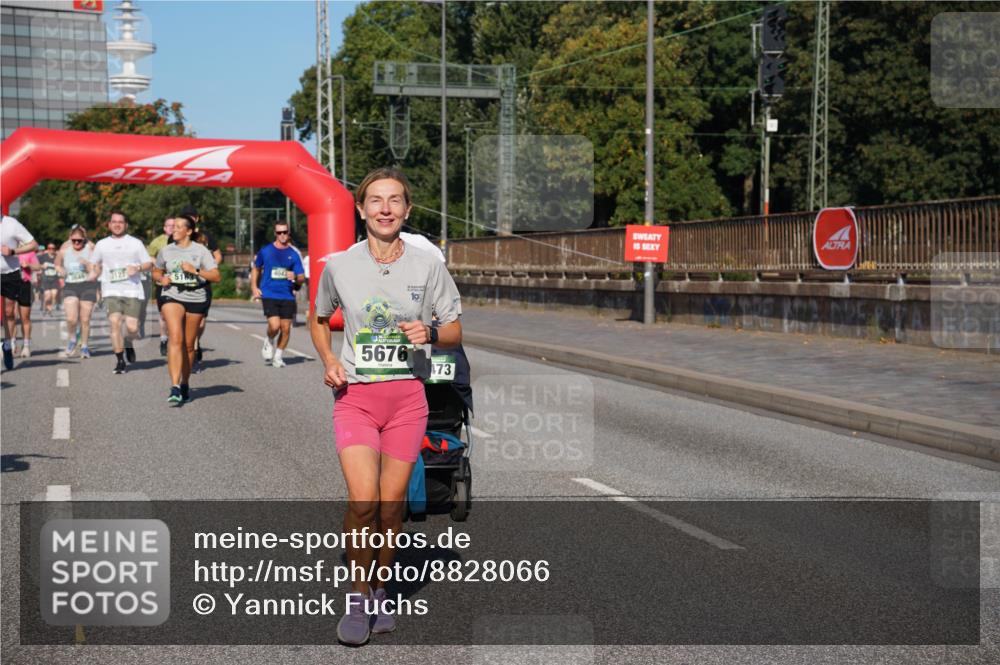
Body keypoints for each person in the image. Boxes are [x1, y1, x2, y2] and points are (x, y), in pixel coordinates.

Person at [310, 167, 463, 646]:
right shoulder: (339, 265)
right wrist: (329, 357)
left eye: (395, 200)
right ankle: (358, 599)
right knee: (364, 501)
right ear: (360, 210)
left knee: (392, 509)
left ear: (407, 209)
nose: (385, 208)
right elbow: (317, 318)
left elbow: (456, 329)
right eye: (375, 200)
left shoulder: (427, 265)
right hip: (355, 398)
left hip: (407, 401)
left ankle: (380, 589)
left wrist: (431, 333)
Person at [152, 214, 220, 405]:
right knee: (176, 337)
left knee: (189, 346)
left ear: (189, 231)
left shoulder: (201, 251)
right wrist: (161, 278)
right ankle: (174, 387)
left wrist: (195, 271)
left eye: (179, 227)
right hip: (172, 295)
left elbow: (216, 276)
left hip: (196, 297)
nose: (174, 230)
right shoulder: (165, 251)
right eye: (173, 227)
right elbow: (156, 271)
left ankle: (184, 382)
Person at [88, 211, 153, 374]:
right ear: (109, 225)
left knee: (132, 328)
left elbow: (148, 263)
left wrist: (137, 268)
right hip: (110, 290)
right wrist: (94, 271)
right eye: (114, 222)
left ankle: (128, 343)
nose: (117, 224)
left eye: (120, 222)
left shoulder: (136, 243)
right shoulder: (102, 244)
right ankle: (119, 360)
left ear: (126, 225)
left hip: (132, 290)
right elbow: (93, 263)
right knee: (114, 323)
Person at [251, 221, 305, 368]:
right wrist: (254, 287)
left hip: (287, 295)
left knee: (286, 328)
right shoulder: (266, 251)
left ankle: (278, 356)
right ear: (275, 234)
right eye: (279, 232)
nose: (282, 235)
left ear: (289, 233)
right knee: (274, 326)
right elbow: (256, 268)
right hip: (269, 292)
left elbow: (301, 277)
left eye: (285, 232)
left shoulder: (293, 254)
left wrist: (294, 275)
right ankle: (269, 339)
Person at [181, 205, 221, 365]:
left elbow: (218, 255)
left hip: (202, 282)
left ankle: (195, 343)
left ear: (197, 219)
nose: (191, 218)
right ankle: (189, 348)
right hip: (182, 283)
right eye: (187, 216)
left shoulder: (206, 236)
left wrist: (208, 267)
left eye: (193, 216)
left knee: (201, 322)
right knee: (183, 319)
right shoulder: (178, 235)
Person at [1, 215, 38, 370]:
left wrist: (13, 251)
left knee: (9, 312)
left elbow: (33, 244)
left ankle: (8, 346)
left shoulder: (11, 224)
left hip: (10, 274)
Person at [56, 225, 98, 358]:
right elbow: (57, 263)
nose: (76, 243)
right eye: (74, 240)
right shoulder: (64, 250)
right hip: (71, 286)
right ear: (70, 239)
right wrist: (60, 270)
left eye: (79, 240)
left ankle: (84, 346)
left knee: (85, 319)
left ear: (84, 239)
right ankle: (73, 339)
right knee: (71, 318)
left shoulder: (90, 249)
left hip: (87, 286)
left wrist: (88, 265)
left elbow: (97, 265)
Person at [147, 216, 175, 357]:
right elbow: (148, 256)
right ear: (164, 228)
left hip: (179, 283)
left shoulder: (182, 240)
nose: (171, 227)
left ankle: (177, 341)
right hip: (161, 282)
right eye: (169, 225)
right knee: (163, 315)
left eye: (174, 225)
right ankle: (164, 339)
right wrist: (159, 263)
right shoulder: (157, 242)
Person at [15, 248, 40, 357]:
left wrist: (28, 265)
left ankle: (26, 345)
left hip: (24, 284)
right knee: (10, 315)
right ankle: (11, 343)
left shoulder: (29, 252)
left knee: (24, 317)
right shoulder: (4, 249)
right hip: (7, 284)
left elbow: (38, 267)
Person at [37, 243, 60, 315]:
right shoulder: (43, 257)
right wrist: (41, 266)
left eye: (53, 248)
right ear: (47, 249)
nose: (51, 250)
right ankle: (46, 306)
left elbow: (62, 265)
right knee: (48, 296)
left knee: (54, 294)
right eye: (50, 248)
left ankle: (49, 308)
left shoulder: (57, 257)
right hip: (46, 278)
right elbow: (36, 265)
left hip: (55, 278)